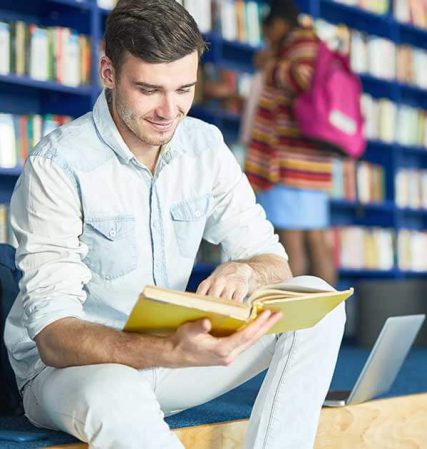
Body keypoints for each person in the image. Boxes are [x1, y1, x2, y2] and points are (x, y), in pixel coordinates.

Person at [3, 1, 345, 448]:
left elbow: (272, 259)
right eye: (148, 90)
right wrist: (169, 350)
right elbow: (54, 337)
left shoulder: (205, 146)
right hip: (74, 373)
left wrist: (246, 270)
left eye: (185, 89)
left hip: (175, 357)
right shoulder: (58, 163)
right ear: (108, 72)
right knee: (116, 390)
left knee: (320, 303)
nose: (170, 111)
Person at [245, 0, 336, 286]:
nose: (267, 39)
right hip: (312, 164)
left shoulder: (300, 44)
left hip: (290, 163)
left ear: (279, 25)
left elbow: (302, 78)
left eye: (268, 32)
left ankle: (295, 328)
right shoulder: (316, 45)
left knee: (290, 245)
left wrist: (269, 65)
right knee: (316, 241)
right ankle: (331, 320)